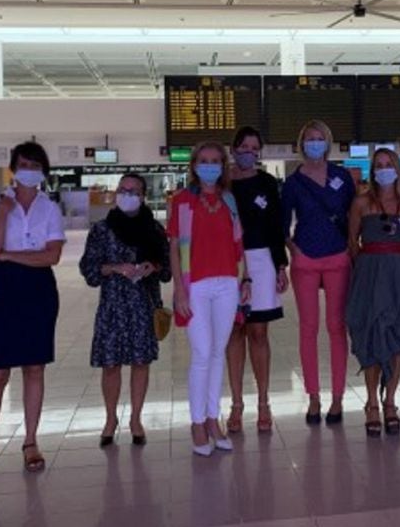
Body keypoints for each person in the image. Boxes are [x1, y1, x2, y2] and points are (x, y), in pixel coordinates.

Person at [0, 142, 65, 483]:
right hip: (1, 290)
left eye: (36, 165)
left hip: (38, 290)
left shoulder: (49, 208)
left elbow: (51, 257)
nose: (29, 170)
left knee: (35, 368)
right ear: (13, 168)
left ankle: (30, 442)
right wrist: (4, 213)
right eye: (24, 164)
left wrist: (11, 256)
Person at [168, 141, 251, 456]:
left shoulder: (229, 200)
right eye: (204, 160)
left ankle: (214, 418)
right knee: (202, 353)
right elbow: (174, 247)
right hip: (196, 286)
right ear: (193, 165)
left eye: (216, 161)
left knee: (218, 352)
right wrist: (179, 289)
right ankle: (197, 422)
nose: (210, 166)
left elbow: (237, 245)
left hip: (227, 284)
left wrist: (244, 278)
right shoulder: (182, 202)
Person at [79, 173, 171, 448]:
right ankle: (110, 419)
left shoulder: (154, 229)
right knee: (111, 364)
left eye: (134, 191)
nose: (127, 195)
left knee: (140, 363)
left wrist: (150, 267)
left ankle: (136, 419)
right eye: (123, 190)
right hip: (113, 306)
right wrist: (116, 267)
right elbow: (89, 269)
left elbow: (166, 269)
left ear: (143, 196)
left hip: (143, 304)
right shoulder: (102, 229)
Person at [346, 148, 400, 437]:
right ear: (372, 170)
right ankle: (371, 403)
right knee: (371, 335)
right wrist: (368, 269)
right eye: (378, 165)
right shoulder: (361, 203)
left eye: (388, 164)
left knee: (398, 337)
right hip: (370, 276)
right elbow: (352, 242)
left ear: (397, 168)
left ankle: (390, 400)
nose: (383, 170)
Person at [282, 120, 355, 425]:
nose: (314, 143)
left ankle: (338, 398)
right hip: (306, 260)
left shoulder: (342, 176)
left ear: (328, 142)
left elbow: (354, 215)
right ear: (301, 144)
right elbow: (282, 223)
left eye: (319, 138)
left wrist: (353, 248)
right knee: (308, 328)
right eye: (309, 138)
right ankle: (313, 396)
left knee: (337, 326)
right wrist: (293, 250)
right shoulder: (293, 182)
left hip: (339, 256)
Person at [226, 126, 289, 434]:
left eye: (254, 147)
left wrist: (280, 264)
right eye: (244, 146)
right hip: (227, 262)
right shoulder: (221, 183)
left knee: (258, 333)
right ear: (233, 149)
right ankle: (236, 404)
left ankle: (264, 402)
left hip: (262, 259)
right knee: (234, 331)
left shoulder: (266, 182)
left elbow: (276, 226)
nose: (248, 152)